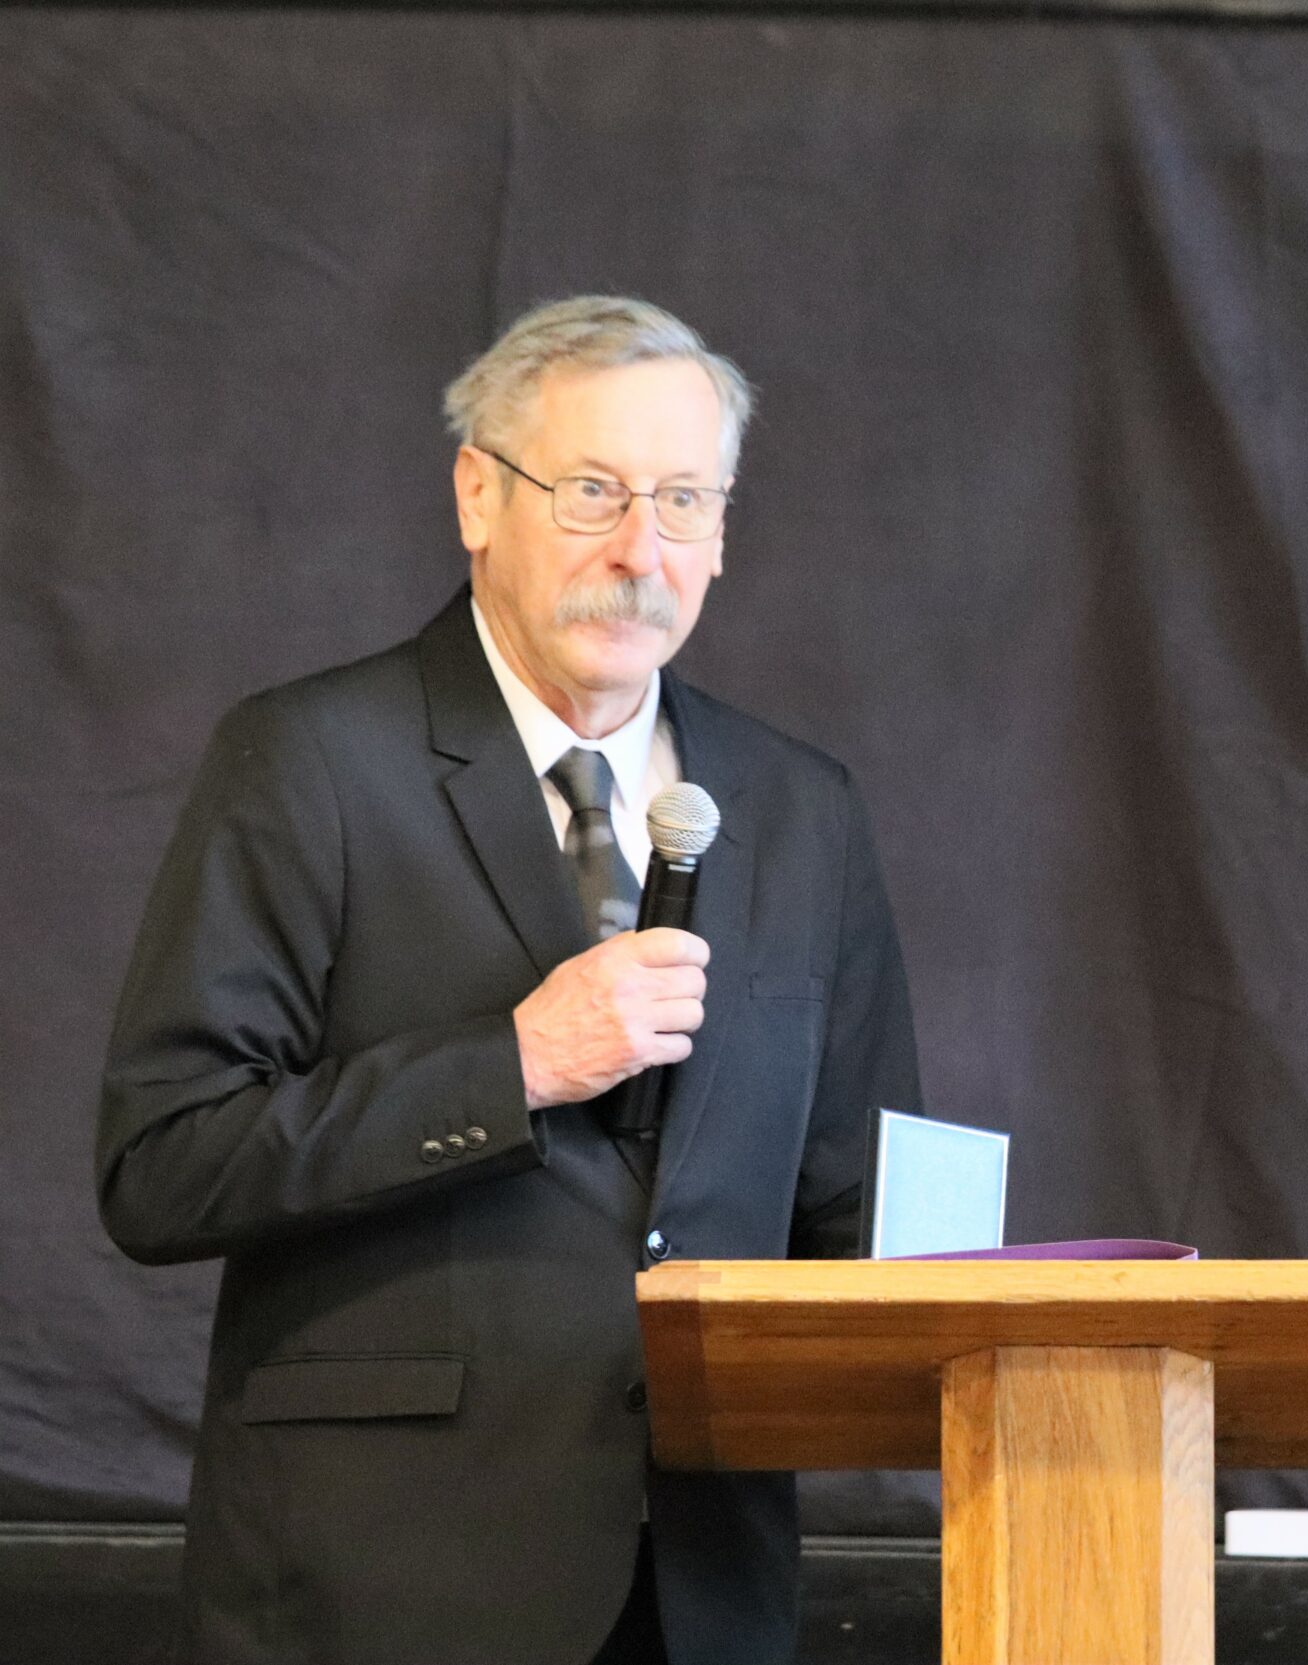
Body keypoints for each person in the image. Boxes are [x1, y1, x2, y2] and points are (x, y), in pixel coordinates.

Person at [96, 296, 920, 1665]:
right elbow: (162, 1164)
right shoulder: (309, 762)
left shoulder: (801, 808)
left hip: (703, 1586)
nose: (639, 550)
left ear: (722, 533)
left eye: (682, 500)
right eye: (593, 490)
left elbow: (861, 1204)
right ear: (479, 495)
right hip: (385, 1580)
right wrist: (514, 1066)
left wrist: (981, 1307)